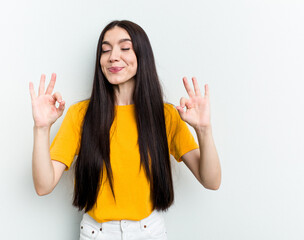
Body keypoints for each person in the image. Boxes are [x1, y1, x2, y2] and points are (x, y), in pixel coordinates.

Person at [29, 20, 221, 240]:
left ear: (142, 55)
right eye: (105, 50)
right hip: (96, 234)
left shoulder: (165, 115)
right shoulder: (80, 115)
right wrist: (41, 128)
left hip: (151, 233)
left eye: (125, 47)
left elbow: (211, 181)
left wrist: (204, 130)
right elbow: (43, 185)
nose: (113, 56)